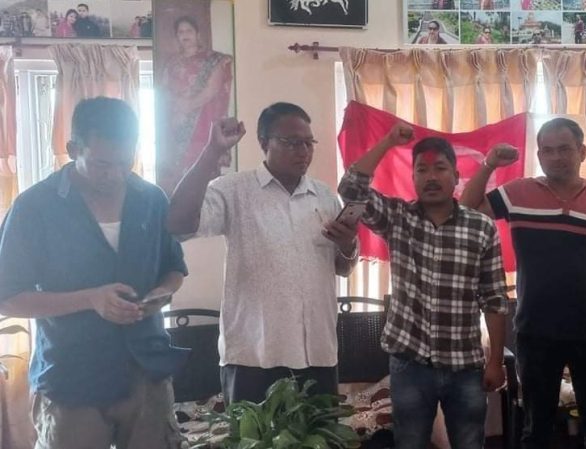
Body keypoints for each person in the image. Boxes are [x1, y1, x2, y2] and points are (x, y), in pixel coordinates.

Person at [0, 97, 189, 449]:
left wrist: (160, 295)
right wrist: (90, 299)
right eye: (102, 164)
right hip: (73, 379)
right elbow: (7, 297)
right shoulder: (34, 207)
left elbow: (174, 269)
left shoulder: (151, 199)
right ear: (73, 149)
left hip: (145, 370)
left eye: (125, 162)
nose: (115, 174)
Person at [460, 118, 586, 449]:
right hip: (536, 333)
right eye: (548, 150)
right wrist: (489, 164)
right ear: (539, 155)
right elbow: (466, 209)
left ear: (582, 152)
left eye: (565, 149)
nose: (556, 157)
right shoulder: (518, 193)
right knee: (536, 431)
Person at [166, 103, 359, 404]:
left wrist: (347, 245)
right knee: (253, 432)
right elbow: (178, 223)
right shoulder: (233, 190)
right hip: (254, 357)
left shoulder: (324, 196)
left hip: (318, 353)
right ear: (263, 142)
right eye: (291, 142)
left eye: (308, 143)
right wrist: (211, 152)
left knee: (319, 431)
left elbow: (342, 268)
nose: (303, 151)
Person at [337, 123, 509, 449]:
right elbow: (350, 189)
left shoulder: (481, 228)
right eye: (422, 170)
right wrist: (388, 141)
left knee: (470, 444)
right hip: (410, 365)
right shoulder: (397, 218)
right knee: (410, 443)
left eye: (440, 168)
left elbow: (495, 298)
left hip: (465, 365)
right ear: (413, 178)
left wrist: (496, 360)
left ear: (456, 176)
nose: (431, 177)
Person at [156, 15, 233, 195]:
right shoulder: (172, 64)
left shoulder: (214, 60)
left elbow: (212, 90)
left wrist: (188, 107)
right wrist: (177, 110)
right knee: (180, 176)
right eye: (180, 32)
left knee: (206, 176)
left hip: (204, 123)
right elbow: (164, 91)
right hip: (178, 124)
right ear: (176, 36)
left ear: (198, 34)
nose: (185, 35)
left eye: (189, 31)